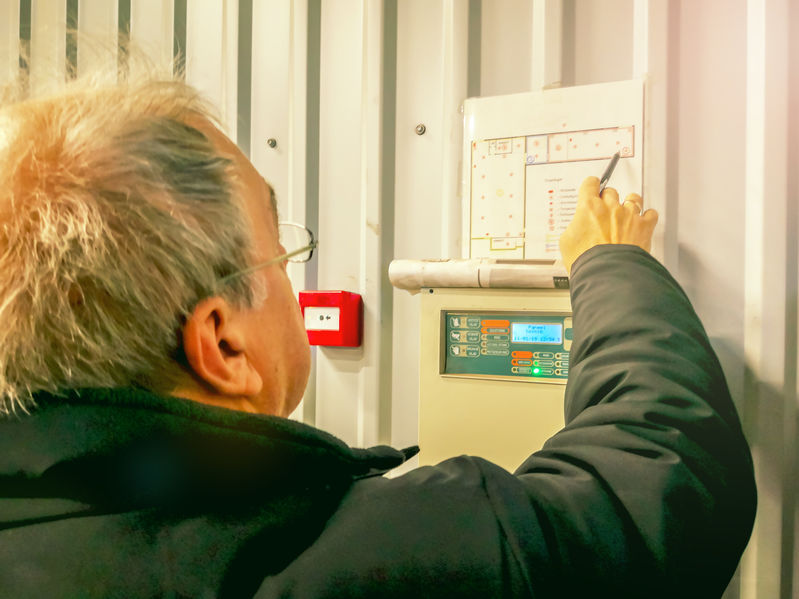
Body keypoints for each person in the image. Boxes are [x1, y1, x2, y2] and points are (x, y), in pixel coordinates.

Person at [0, 72, 756, 598]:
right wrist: (609, 260)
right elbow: (660, 481)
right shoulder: (351, 567)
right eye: (281, 251)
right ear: (224, 345)